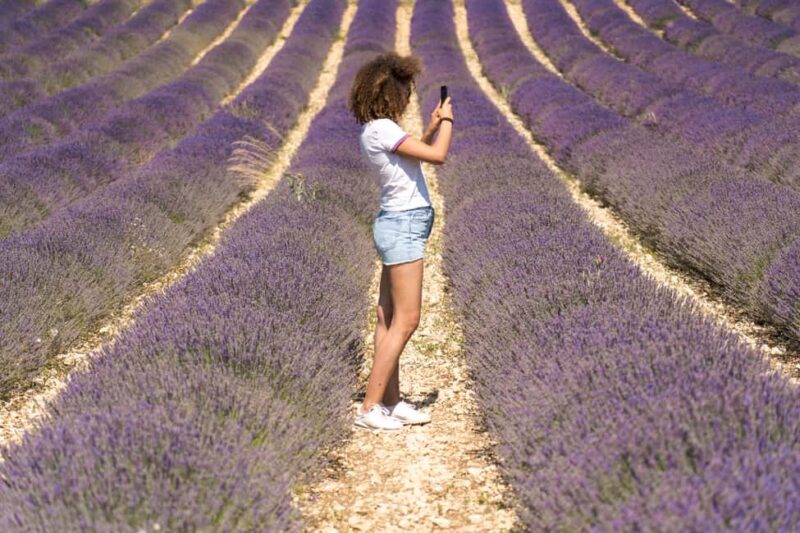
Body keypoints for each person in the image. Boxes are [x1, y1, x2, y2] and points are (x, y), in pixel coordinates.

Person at [348, 52, 453, 430]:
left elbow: (414, 158)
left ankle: (390, 402)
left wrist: (430, 126)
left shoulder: (377, 130)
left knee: (387, 317)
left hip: (397, 223)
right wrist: (449, 122)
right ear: (391, 94)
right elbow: (438, 156)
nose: (409, 98)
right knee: (407, 319)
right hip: (403, 225)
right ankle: (370, 408)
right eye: (406, 91)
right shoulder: (384, 130)